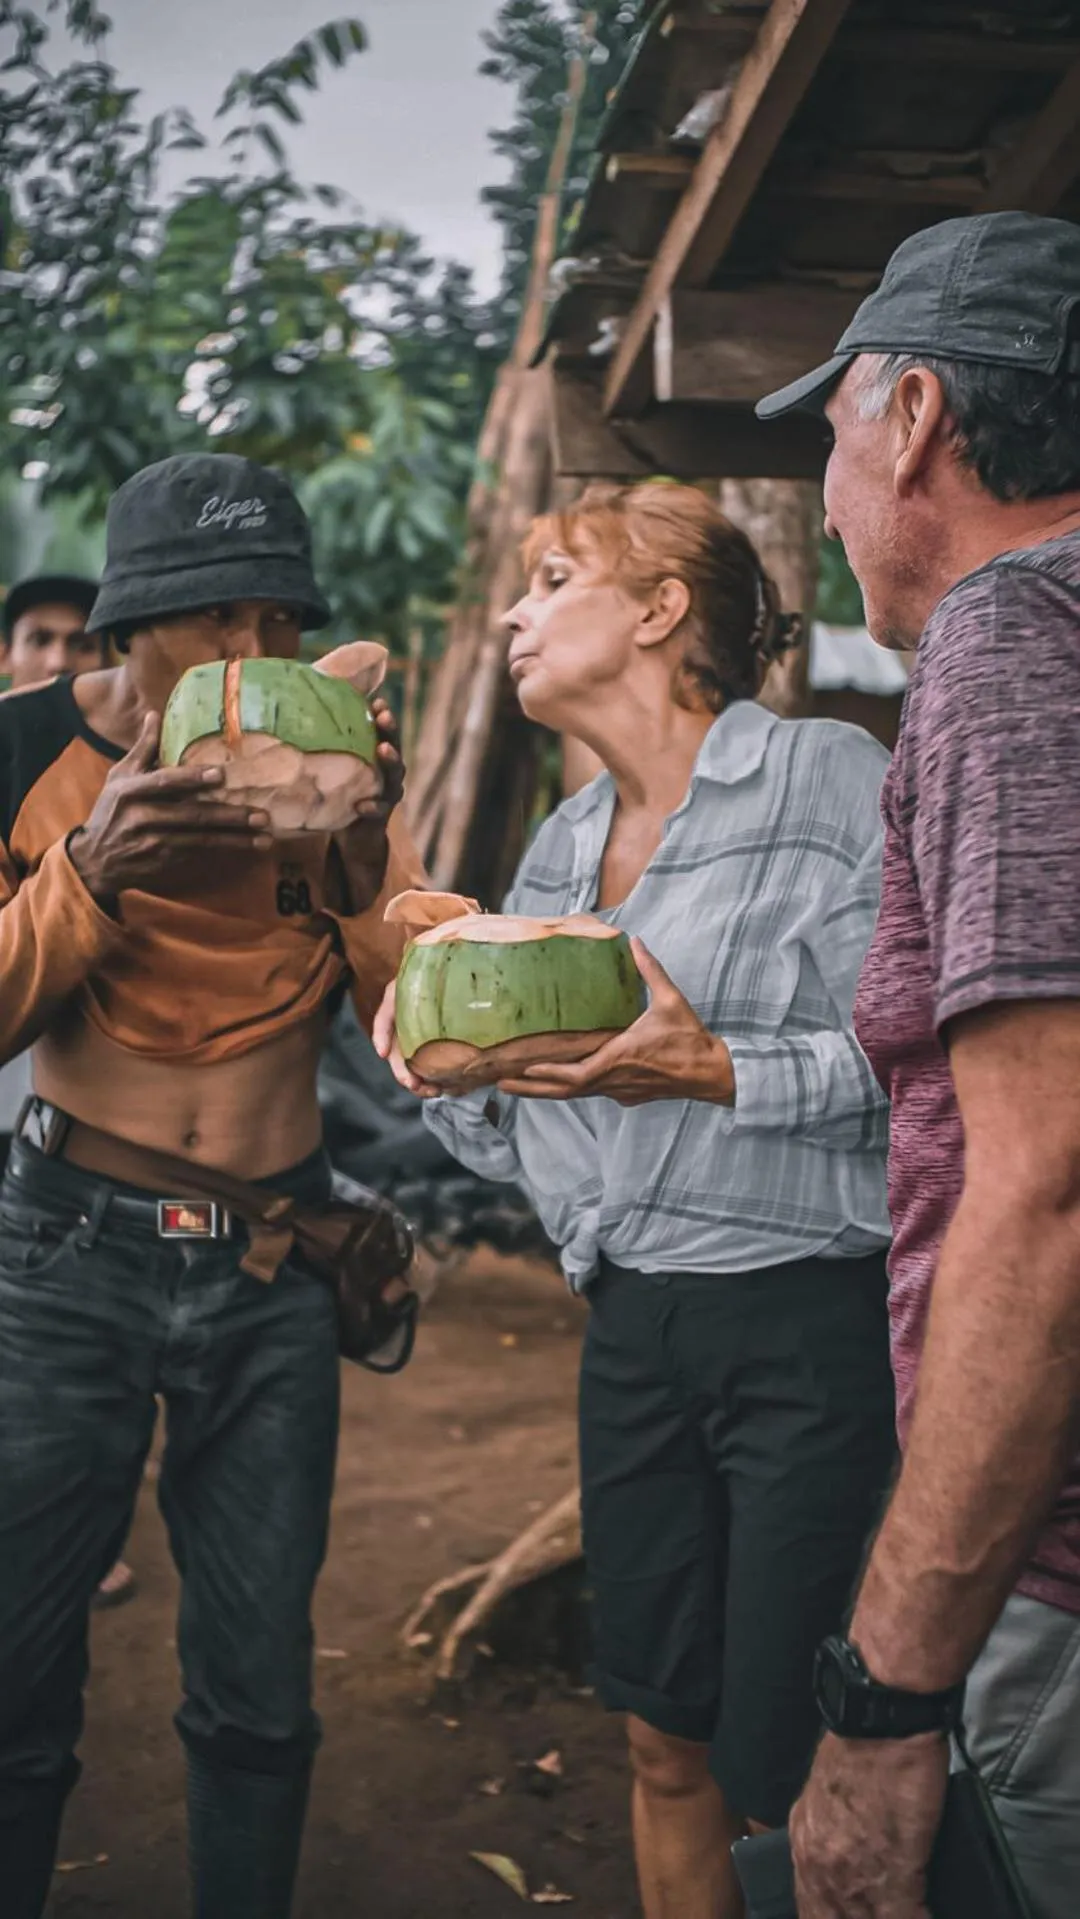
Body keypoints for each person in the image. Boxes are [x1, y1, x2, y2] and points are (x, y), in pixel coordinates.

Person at [376, 482, 897, 1919]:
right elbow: (519, 1150)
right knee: (662, 1733)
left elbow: (931, 1067)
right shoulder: (556, 852)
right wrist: (448, 1062)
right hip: (630, 1330)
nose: (512, 610)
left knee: (797, 1755)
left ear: (663, 611)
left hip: (809, 1329)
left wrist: (718, 1067)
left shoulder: (830, 784)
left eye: (552, 578)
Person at [0, 451, 423, 1919]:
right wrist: (89, 870)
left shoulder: (328, 759)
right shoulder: (21, 753)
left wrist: (359, 829)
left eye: (274, 618)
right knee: (16, 1677)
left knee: (260, 1685)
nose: (249, 654)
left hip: (270, 1264)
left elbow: (407, 1008)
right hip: (63, 1258)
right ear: (130, 628)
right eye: (211, 619)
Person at [753, 210, 1080, 1919]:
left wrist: (886, 1694)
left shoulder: (1014, 640)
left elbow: (1049, 1189)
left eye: (828, 431)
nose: (822, 488)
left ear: (916, 418)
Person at [0, 574, 137, 1613]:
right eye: (38, 638)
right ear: (9, 652)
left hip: (58, 1125)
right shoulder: (12, 758)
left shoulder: (128, 775)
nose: (57, 657)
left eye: (80, 640)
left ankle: (83, 1530)